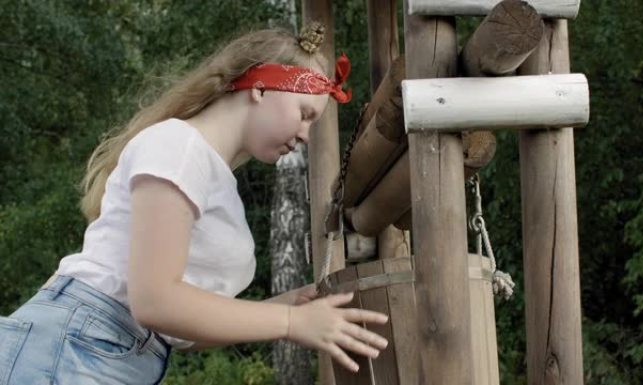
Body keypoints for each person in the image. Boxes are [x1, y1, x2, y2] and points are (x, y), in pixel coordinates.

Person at [0, 22, 389, 384]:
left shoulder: (211, 177)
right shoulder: (180, 146)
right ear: (261, 88)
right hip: (75, 345)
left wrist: (283, 307)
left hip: (106, 351)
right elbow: (154, 302)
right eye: (305, 114)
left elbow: (175, 328)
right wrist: (287, 321)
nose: (306, 134)